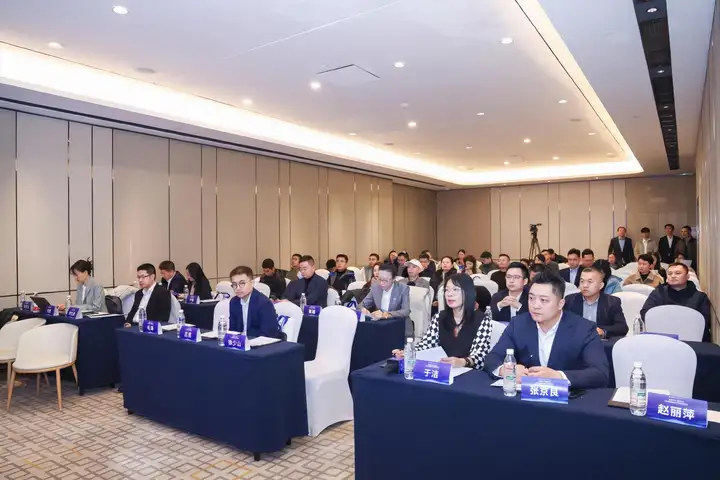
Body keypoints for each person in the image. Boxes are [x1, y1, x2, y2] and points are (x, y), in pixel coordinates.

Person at [484, 272, 609, 389]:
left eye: (543, 300)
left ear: (560, 304)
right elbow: (493, 357)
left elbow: (600, 373)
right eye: (531, 298)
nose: (535, 305)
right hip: (525, 397)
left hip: (569, 399)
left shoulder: (584, 328)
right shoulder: (518, 324)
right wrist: (505, 370)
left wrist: (558, 376)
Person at [393, 274, 492, 369]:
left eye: (455, 289)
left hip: (468, 373)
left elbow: (480, 356)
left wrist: (462, 362)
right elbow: (426, 344)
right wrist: (407, 352)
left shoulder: (482, 320)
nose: (449, 294)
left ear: (468, 292)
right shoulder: (439, 317)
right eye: (446, 290)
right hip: (442, 370)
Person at [641, 263, 712, 342]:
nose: (673, 276)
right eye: (670, 274)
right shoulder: (658, 293)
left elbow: (703, 322)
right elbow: (646, 313)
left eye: (678, 273)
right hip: (662, 337)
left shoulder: (700, 297)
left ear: (687, 276)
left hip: (691, 338)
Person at [563, 267, 628, 339]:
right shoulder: (570, 300)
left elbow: (622, 327)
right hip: (576, 340)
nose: (585, 285)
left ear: (601, 286)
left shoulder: (612, 302)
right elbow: (562, 324)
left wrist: (603, 331)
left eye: (590, 282)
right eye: (582, 281)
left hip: (600, 342)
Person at [228, 266, 281, 338]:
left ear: (252, 283)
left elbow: (268, 334)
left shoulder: (263, 303)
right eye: (234, 284)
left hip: (259, 343)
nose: (238, 288)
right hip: (239, 343)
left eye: (242, 283)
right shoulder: (234, 302)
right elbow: (233, 330)